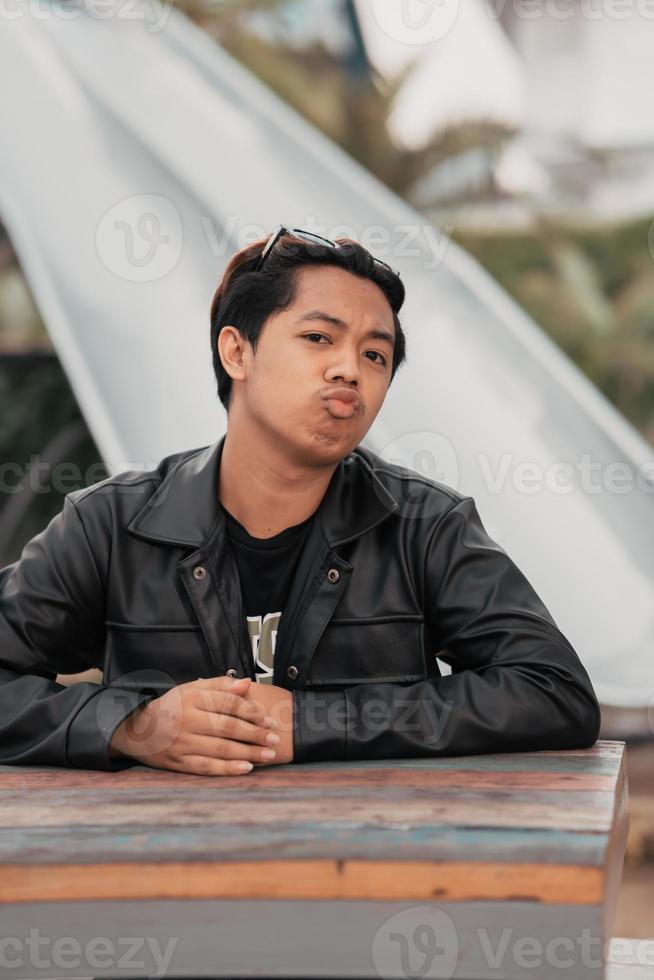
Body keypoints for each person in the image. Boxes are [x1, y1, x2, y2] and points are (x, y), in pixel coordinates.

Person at [0, 226, 601, 776]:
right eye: (318, 337)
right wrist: (131, 727)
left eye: (375, 354)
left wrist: (314, 723)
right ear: (237, 352)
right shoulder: (109, 524)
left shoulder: (424, 526)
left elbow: (553, 690)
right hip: (161, 868)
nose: (350, 370)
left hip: (370, 868)